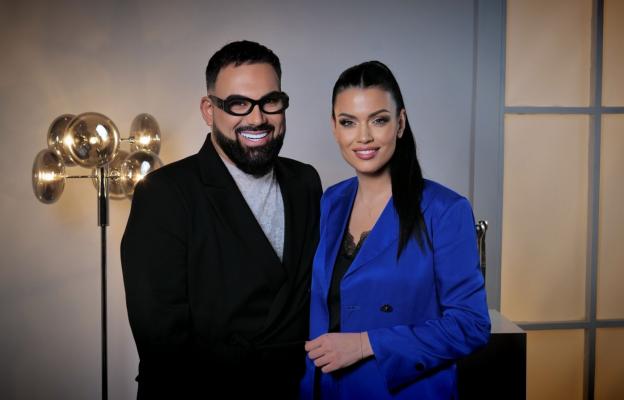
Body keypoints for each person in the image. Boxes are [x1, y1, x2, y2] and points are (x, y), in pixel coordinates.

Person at [121, 40, 322, 399]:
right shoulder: (164, 193)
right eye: (238, 104)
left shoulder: (305, 181)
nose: (257, 119)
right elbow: (161, 339)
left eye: (270, 101)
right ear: (209, 110)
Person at [300, 61, 490, 399]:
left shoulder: (445, 210)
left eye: (378, 120)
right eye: (348, 122)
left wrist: (367, 344)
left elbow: (470, 324)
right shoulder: (332, 201)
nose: (363, 137)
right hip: (327, 389)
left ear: (400, 123)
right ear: (334, 127)